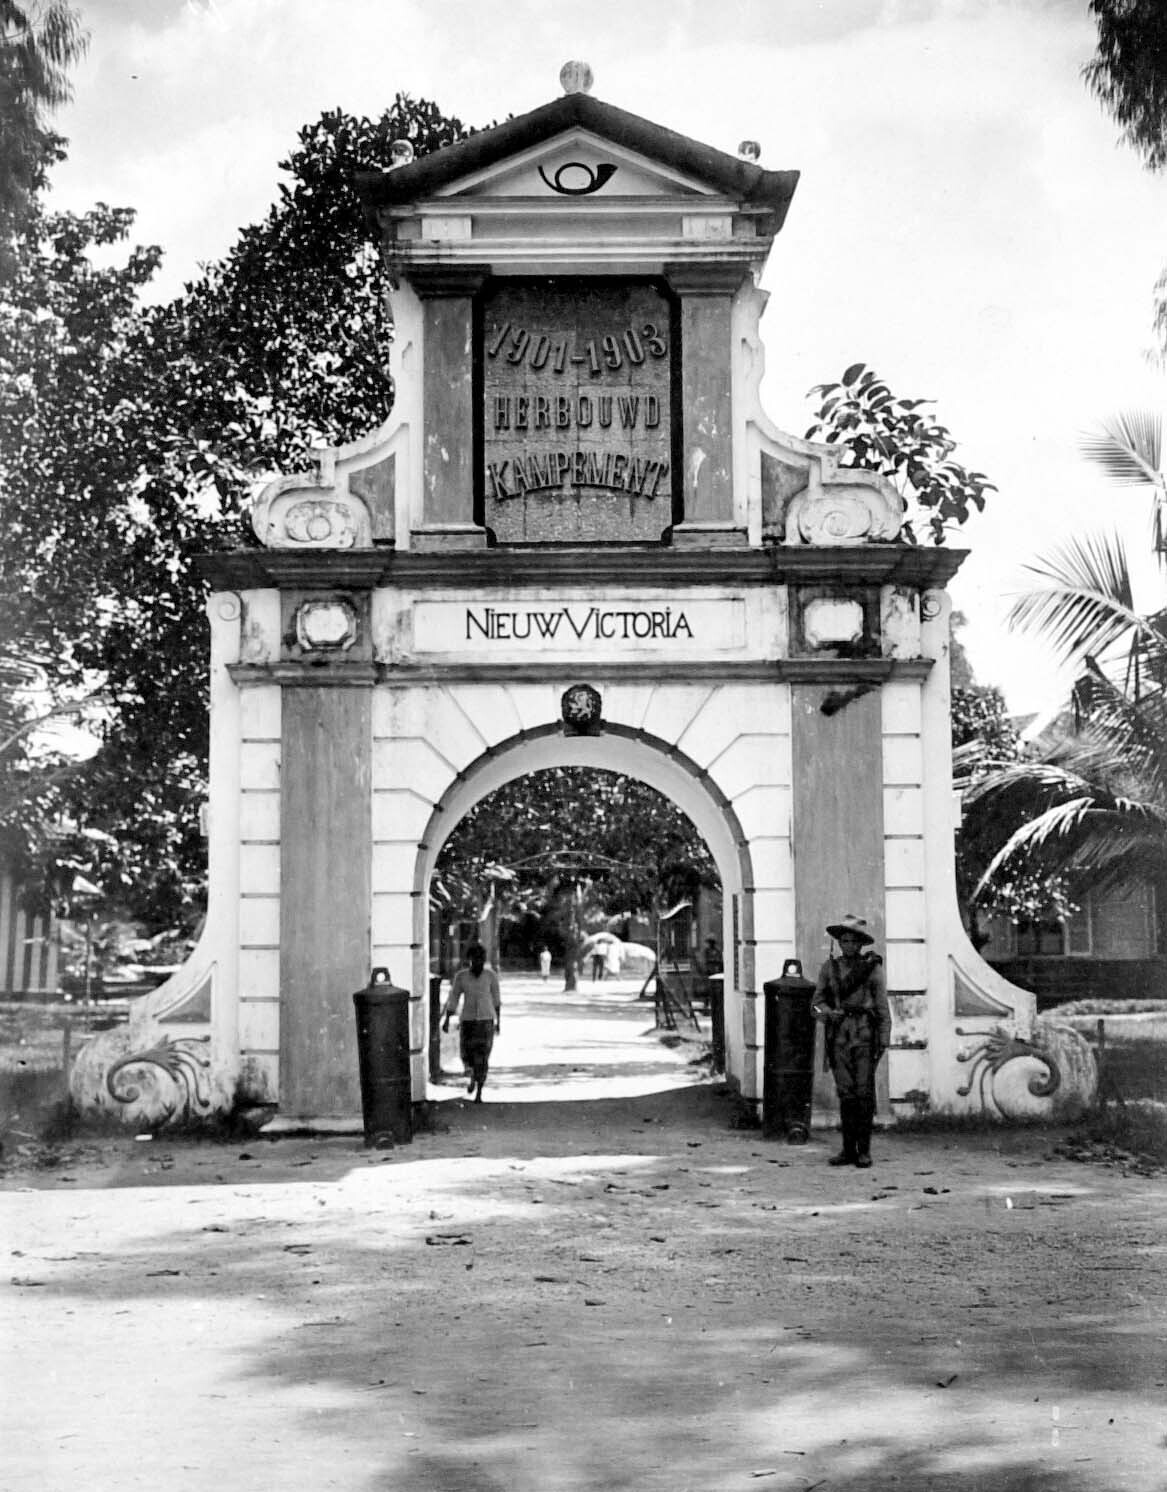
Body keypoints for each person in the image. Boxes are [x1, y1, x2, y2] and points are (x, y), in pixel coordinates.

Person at [811, 914, 891, 1169]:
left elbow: (882, 1006)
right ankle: (847, 1150)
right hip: (839, 1037)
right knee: (846, 1094)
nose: (849, 945)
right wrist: (828, 1014)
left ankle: (864, 1151)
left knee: (863, 1093)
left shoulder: (872, 969)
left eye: (854, 941)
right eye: (844, 941)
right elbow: (816, 1005)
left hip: (865, 1035)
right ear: (839, 943)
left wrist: (884, 1037)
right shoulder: (829, 968)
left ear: (861, 944)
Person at [441, 944, 501, 1103]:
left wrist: (498, 1022)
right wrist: (447, 1019)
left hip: (486, 1021)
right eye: (474, 960)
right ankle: (473, 1076)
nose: (477, 963)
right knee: (467, 1054)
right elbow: (454, 998)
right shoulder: (461, 977)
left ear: (484, 960)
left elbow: (496, 999)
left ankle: (479, 1091)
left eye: (480, 959)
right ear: (470, 960)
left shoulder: (490, 976)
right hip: (468, 1020)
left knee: (483, 1056)